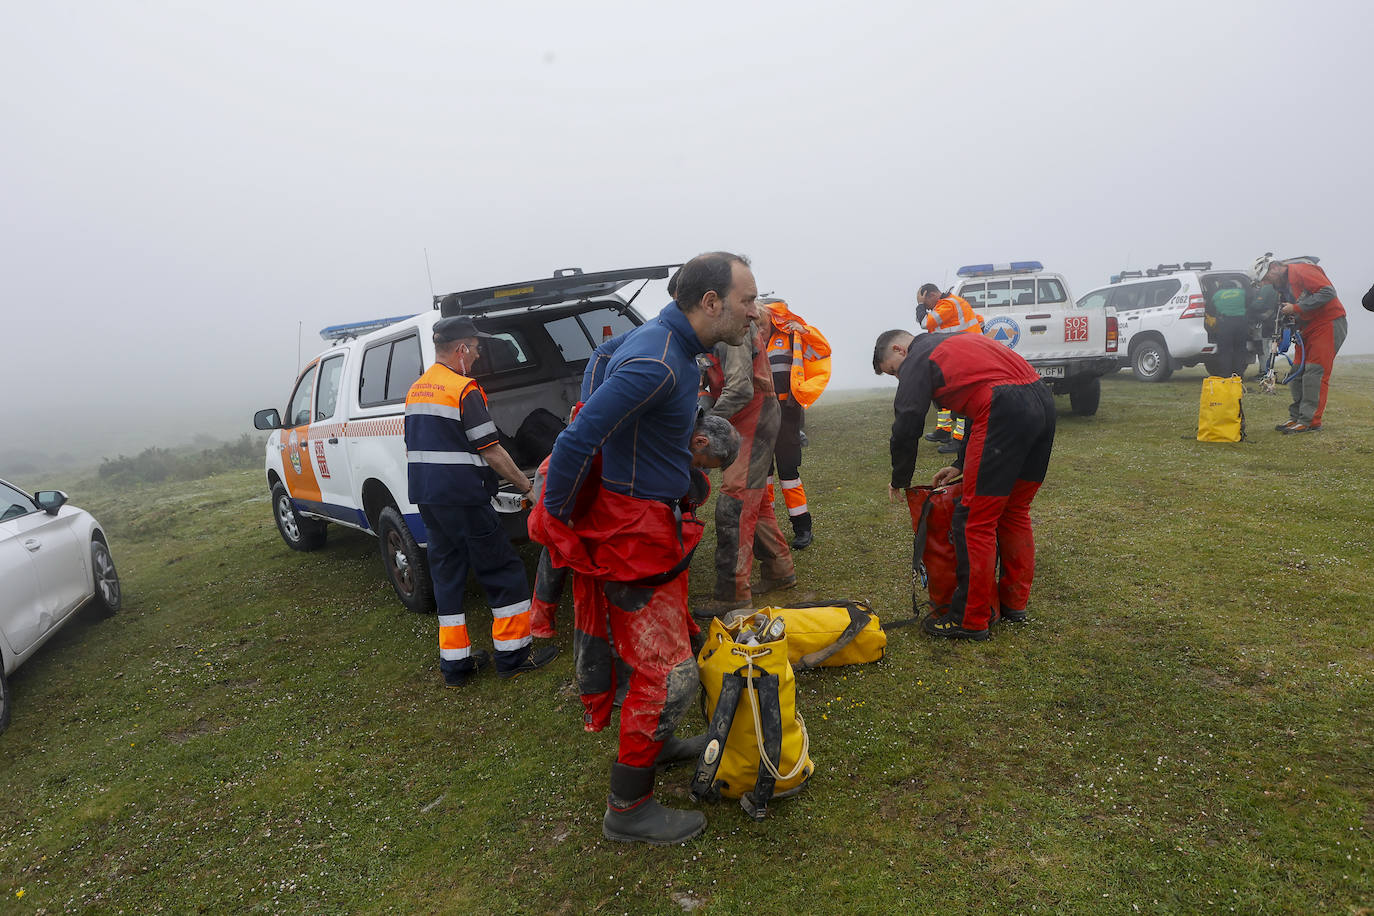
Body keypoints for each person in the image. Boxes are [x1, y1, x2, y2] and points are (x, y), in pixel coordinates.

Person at [530, 251, 757, 846]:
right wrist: (555, 522)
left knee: (666, 652)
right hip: (631, 540)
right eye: (748, 301)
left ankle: (651, 747)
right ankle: (627, 809)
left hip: (655, 532)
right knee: (669, 674)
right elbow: (580, 435)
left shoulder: (674, 350)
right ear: (711, 302)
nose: (754, 313)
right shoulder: (657, 359)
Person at [404, 316, 560, 686]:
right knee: (502, 570)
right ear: (460, 350)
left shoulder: (418, 389)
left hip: (428, 498)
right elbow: (491, 450)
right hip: (463, 498)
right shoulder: (463, 389)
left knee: (447, 574)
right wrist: (526, 487)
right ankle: (513, 656)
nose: (476, 357)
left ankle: (455, 667)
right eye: (474, 349)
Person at [873, 327, 1055, 641]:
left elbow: (907, 421)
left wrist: (900, 479)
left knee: (975, 520)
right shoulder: (956, 340)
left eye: (894, 370)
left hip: (1003, 408)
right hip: (1040, 402)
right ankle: (1014, 604)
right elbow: (981, 392)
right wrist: (960, 462)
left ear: (900, 349)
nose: (900, 378)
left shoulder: (918, 355)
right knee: (1014, 511)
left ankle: (971, 620)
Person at [702, 302, 797, 616]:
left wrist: (707, 424)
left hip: (752, 413)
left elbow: (740, 388)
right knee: (756, 501)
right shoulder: (724, 326)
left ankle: (733, 593)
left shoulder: (733, 329)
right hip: (752, 414)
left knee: (736, 505)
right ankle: (779, 570)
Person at [761, 297, 832, 550]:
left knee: (789, 473)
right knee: (763, 474)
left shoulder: (792, 336)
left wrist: (805, 331)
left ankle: (803, 528)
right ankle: (767, 529)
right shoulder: (746, 338)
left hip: (786, 411)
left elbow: (821, 351)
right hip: (757, 414)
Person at [1251, 254, 1348, 434]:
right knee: (1296, 373)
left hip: (1327, 323)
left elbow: (1327, 292)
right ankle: (1297, 417)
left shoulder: (1303, 270)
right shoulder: (1282, 285)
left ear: (1274, 268)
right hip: (1307, 328)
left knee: (1314, 373)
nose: (1265, 283)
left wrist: (1296, 309)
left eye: (1265, 278)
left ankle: (1310, 421)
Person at [915, 283, 984, 455]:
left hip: (965, 355)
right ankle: (944, 430)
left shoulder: (947, 304)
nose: (927, 307)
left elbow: (925, 323)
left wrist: (919, 307)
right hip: (957, 354)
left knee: (960, 396)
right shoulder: (948, 304)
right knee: (944, 392)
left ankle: (960, 439)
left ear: (931, 295)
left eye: (925, 302)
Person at [1208, 285, 1252, 378]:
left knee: (1225, 350)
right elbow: (1249, 304)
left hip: (1225, 323)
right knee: (1240, 349)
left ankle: (1225, 374)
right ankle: (1239, 374)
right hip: (1241, 323)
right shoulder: (1242, 292)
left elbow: (1210, 309)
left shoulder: (1217, 294)